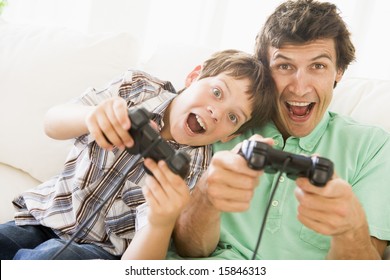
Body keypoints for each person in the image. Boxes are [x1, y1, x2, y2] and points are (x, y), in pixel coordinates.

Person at [0, 49, 276, 260]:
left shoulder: (194, 168)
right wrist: (91, 116)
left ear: (229, 136)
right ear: (193, 77)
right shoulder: (138, 88)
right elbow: (52, 123)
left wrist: (161, 221)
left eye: (232, 116)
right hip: (43, 215)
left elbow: (138, 266)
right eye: (217, 92)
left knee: (49, 259)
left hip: (99, 251)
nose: (216, 112)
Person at [169, 0, 390, 260]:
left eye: (318, 66)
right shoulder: (227, 122)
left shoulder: (373, 147)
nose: (299, 87)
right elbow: (188, 249)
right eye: (284, 66)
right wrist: (206, 197)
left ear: (339, 71)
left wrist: (349, 229)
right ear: (264, 68)